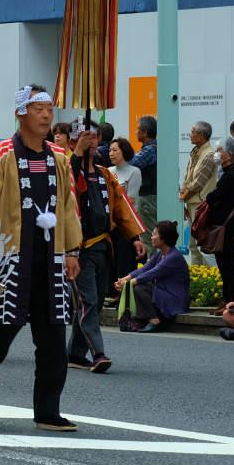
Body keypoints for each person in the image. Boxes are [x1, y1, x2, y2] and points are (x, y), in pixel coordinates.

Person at [0, 85, 82, 431]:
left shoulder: (59, 157)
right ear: (20, 113)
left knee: (54, 338)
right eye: (38, 109)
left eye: (49, 109)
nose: (46, 115)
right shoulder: (1, 155)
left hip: (51, 260)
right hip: (10, 260)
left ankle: (47, 411)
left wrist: (72, 251)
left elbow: (68, 207)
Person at [67, 122, 146, 373]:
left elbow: (121, 206)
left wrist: (135, 237)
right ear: (73, 141)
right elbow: (65, 185)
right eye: (84, 136)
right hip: (78, 248)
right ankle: (98, 353)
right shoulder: (66, 168)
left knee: (96, 301)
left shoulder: (104, 174)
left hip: (103, 245)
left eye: (94, 136)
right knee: (88, 300)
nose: (91, 141)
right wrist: (77, 154)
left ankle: (75, 353)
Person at [115, 221, 190, 332]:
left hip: (175, 299)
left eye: (154, 234)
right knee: (138, 287)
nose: (151, 237)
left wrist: (127, 284)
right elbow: (144, 269)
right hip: (164, 292)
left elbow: (151, 273)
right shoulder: (160, 254)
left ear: (163, 239)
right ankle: (144, 319)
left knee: (139, 288)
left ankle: (154, 320)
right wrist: (124, 279)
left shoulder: (174, 257)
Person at [205, 137, 234, 306]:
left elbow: (214, 197)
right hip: (227, 225)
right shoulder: (228, 173)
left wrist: (210, 196)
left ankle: (231, 299)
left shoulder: (231, 175)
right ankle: (228, 298)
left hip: (227, 226)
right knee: (224, 263)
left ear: (229, 154)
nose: (216, 153)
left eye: (219, 150)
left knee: (227, 263)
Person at [179, 121, 219, 266]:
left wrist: (182, 198)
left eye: (193, 132)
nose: (190, 135)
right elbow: (187, 179)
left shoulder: (210, 154)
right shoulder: (195, 152)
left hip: (201, 205)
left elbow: (198, 183)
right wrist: (183, 201)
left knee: (203, 245)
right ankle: (196, 276)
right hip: (191, 203)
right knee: (193, 245)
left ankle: (212, 276)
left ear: (201, 135)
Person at [108, 137, 141, 280]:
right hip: (110, 224)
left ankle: (124, 289)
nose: (111, 153)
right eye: (110, 150)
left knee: (125, 261)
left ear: (124, 151)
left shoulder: (134, 171)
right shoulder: (108, 171)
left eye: (115, 150)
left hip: (126, 223)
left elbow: (131, 200)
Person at [130, 116, 158, 250]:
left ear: (145, 132)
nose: (136, 132)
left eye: (138, 129)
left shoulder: (149, 150)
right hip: (152, 197)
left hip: (148, 198)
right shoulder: (155, 147)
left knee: (148, 237)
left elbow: (131, 166)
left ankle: (152, 262)